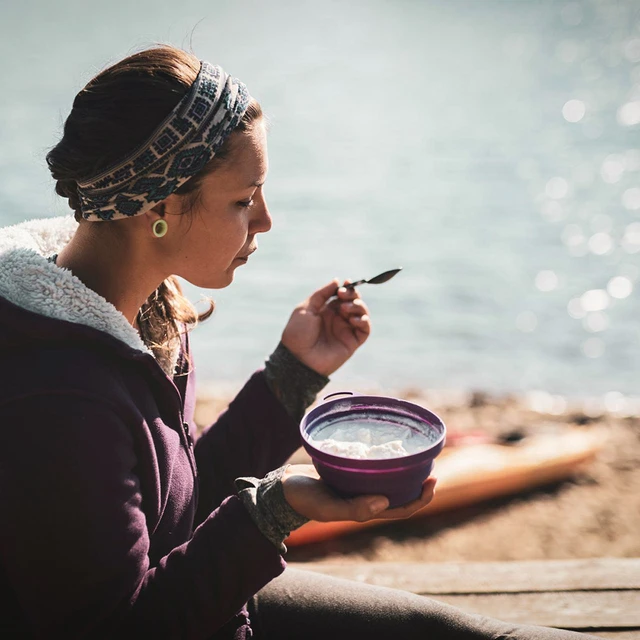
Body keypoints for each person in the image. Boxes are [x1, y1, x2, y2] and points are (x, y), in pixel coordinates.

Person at [0, 45, 599, 639]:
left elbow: (177, 502)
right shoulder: (60, 397)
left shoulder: (148, 310)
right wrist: (276, 510)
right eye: (242, 199)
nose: (265, 219)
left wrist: (293, 375)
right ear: (159, 203)